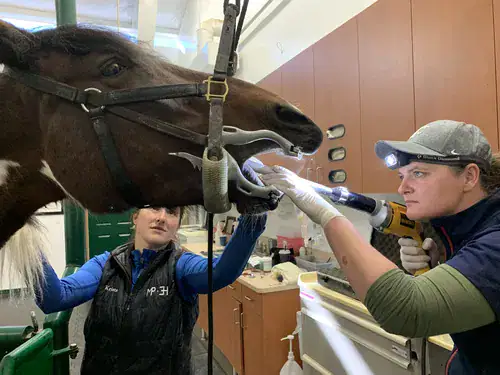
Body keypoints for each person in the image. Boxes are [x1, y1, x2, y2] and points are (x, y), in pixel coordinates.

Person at [257, 120, 500, 375]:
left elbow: (406, 310)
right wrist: (438, 269)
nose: (402, 188)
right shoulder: (467, 229)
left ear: (470, 176)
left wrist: (327, 216)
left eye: (418, 173)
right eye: (402, 176)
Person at [36, 205, 266, 375]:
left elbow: (219, 273)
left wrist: (256, 209)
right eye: (154, 208)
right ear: (135, 217)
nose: (161, 217)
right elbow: (55, 298)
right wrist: (26, 238)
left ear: (177, 227)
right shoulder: (105, 265)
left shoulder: (180, 266)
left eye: (172, 212)